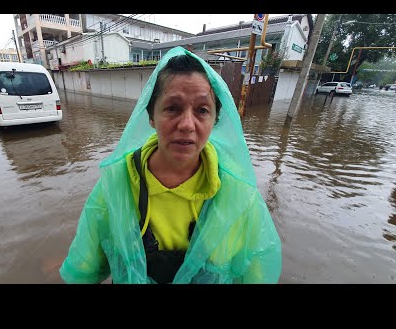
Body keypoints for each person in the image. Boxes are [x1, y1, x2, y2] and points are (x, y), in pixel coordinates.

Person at [59, 46, 282, 284]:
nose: (187, 124)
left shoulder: (238, 198)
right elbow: (83, 272)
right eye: (173, 108)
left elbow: (258, 274)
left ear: (214, 120)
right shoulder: (115, 189)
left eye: (202, 110)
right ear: (151, 116)